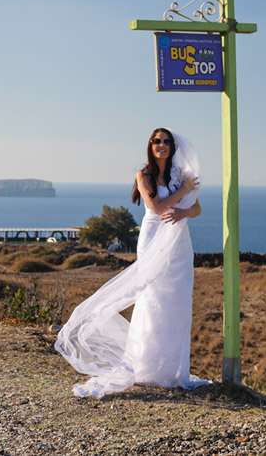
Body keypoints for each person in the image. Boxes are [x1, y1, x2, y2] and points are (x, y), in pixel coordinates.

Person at [55, 128, 211, 398]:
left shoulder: (180, 175)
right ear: (150, 146)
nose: (161, 145)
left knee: (178, 302)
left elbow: (196, 208)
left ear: (173, 147)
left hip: (179, 242)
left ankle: (174, 371)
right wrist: (181, 193)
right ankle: (148, 368)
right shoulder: (144, 175)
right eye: (156, 141)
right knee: (152, 299)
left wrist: (185, 208)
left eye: (166, 142)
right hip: (153, 237)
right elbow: (157, 208)